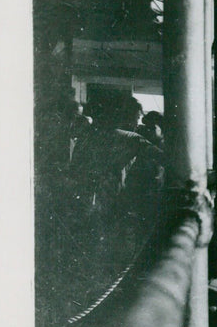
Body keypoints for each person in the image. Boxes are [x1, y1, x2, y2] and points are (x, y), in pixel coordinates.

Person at [69, 94, 163, 257]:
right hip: (107, 201)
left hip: (82, 199)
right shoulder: (130, 138)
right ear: (125, 117)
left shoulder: (88, 135)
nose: (136, 124)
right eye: (136, 118)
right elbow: (164, 158)